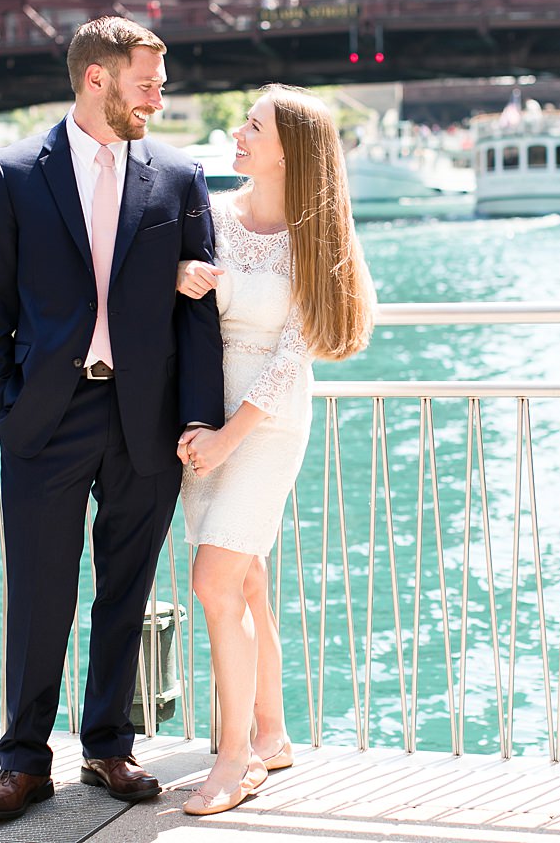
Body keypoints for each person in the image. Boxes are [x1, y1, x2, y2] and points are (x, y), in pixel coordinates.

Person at [0, 15, 225, 820]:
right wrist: (1, 404)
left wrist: (198, 417)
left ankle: (108, 746)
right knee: (40, 592)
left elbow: (199, 309)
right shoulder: (14, 173)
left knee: (126, 588)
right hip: (46, 416)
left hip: (145, 417)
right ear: (96, 79)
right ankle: (23, 762)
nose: (159, 95)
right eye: (146, 81)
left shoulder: (179, 176)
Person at [172, 84, 377, 816]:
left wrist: (230, 437)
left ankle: (234, 761)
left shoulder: (317, 236)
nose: (237, 131)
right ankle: (272, 733)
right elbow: (177, 305)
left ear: (288, 149)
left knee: (213, 581)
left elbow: (296, 353)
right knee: (247, 576)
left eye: (252, 125)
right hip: (205, 418)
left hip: (266, 426)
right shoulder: (213, 217)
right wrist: (177, 274)